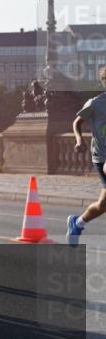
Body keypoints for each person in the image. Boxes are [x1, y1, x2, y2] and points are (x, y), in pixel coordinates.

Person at [69, 65, 106, 246]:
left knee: (102, 205)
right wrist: (79, 140)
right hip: (102, 157)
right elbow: (77, 122)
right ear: (104, 82)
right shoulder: (95, 103)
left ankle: (77, 223)